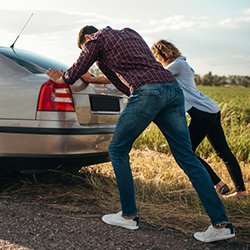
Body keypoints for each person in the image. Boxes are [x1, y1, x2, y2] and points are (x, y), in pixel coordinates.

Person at [46, 25, 235, 242]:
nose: (86, 48)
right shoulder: (131, 33)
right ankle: (221, 224)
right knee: (187, 156)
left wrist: (63, 78)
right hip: (172, 90)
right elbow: (126, 73)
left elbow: (78, 68)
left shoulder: (96, 39)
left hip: (147, 92)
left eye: (83, 46)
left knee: (117, 149)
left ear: (87, 37)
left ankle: (128, 215)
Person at [151, 39, 247, 198]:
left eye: (156, 57)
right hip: (210, 110)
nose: (157, 60)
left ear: (160, 54)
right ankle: (240, 191)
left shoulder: (177, 65)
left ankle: (219, 184)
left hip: (202, 112)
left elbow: (159, 77)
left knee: (185, 150)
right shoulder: (182, 64)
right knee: (223, 152)